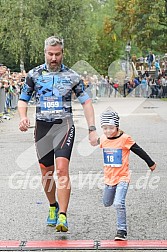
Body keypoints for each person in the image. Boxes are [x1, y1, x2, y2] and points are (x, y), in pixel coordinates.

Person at [18, 35, 98, 232]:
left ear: (63, 54)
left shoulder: (72, 76)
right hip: (43, 127)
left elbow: (86, 102)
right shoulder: (34, 75)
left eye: (57, 54)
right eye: (50, 54)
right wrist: (22, 116)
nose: (54, 58)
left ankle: (63, 215)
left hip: (64, 126)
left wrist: (92, 129)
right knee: (47, 172)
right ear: (44, 53)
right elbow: (23, 99)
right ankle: (52, 206)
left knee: (62, 170)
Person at [98, 109, 156, 241]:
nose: (107, 131)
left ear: (117, 126)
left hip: (123, 177)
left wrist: (150, 163)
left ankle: (121, 231)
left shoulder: (125, 139)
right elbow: (96, 141)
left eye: (110, 128)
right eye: (104, 128)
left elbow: (138, 150)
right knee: (107, 202)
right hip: (109, 178)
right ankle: (113, 203)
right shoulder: (103, 138)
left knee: (118, 203)